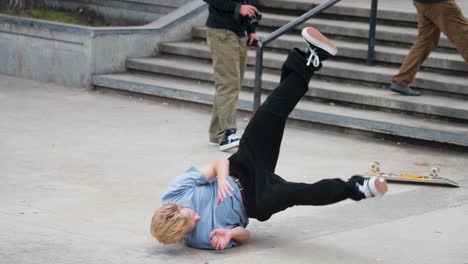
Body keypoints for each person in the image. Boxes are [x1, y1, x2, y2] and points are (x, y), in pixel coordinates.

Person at [150, 27, 389, 250]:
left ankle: (309, 59)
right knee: (299, 193)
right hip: (256, 199)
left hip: (241, 167)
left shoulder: (176, 192)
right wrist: (231, 234)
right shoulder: (201, 238)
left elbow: (218, 164)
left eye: (191, 215)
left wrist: (222, 180)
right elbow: (246, 234)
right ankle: (357, 187)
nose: (198, 218)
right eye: (192, 225)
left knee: (269, 114)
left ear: (176, 207)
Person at [203, 0, 260, 151]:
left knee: (232, 83)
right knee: (229, 83)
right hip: (221, 30)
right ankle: (227, 134)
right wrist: (237, 8)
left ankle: (216, 132)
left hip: (240, 32)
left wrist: (251, 30)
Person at [389, 0, 468, 96]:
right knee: (464, 36)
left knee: (425, 41)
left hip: (422, 2)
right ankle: (401, 80)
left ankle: (401, 80)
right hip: (439, 3)